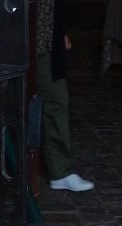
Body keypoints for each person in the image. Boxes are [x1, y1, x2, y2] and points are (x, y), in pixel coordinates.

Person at [36, 0, 94, 192]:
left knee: (57, 100)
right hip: (13, 39)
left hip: (46, 42)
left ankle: (61, 172)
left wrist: (60, 32)